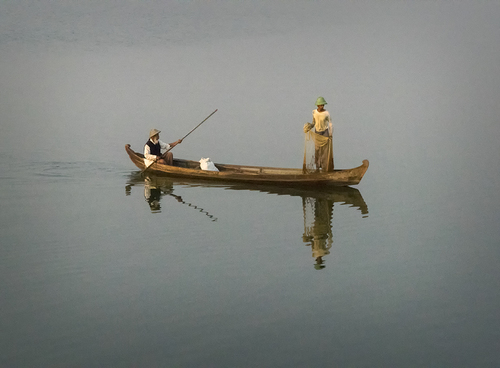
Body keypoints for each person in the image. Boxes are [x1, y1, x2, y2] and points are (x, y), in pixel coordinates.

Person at [304, 97, 334, 171]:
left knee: (325, 151)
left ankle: (324, 168)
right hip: (317, 132)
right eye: (320, 105)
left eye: (323, 105)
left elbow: (330, 123)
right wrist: (309, 127)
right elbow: (313, 123)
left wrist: (330, 133)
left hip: (325, 132)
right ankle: (317, 167)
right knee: (317, 150)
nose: (322, 107)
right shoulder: (314, 112)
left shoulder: (326, 113)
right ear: (317, 106)